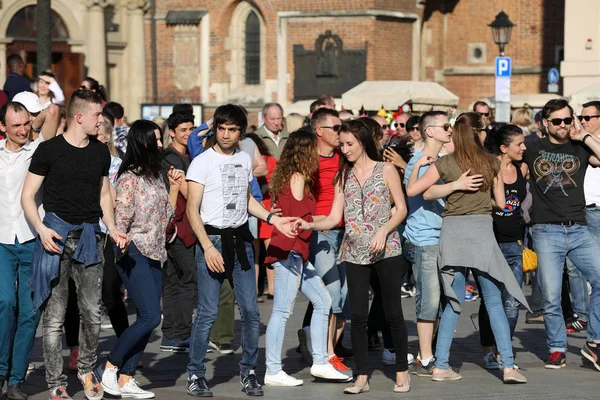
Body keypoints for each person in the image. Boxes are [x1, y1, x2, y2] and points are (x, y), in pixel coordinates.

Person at [21, 90, 128, 400]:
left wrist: (113, 227)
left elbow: (104, 194)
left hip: (90, 238)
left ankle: (85, 369)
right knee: (54, 318)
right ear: (79, 117)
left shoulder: (100, 152)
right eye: (97, 115)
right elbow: (28, 196)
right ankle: (55, 382)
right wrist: (40, 229)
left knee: (93, 312)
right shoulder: (48, 151)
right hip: (55, 236)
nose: (102, 121)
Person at [406, 112, 528, 384]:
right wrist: (480, 196)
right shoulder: (490, 162)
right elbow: (499, 201)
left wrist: (448, 184)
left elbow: (419, 192)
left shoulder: (446, 163)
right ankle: (508, 366)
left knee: (453, 302)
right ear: (478, 135)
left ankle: (441, 365)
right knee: (494, 301)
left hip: (452, 233)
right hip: (481, 231)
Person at [185, 104, 297, 397]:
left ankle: (248, 372)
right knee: (208, 312)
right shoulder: (201, 162)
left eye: (232, 129)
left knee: (249, 311)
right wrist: (207, 247)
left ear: (240, 132)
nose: (225, 134)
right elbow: (191, 210)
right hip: (212, 240)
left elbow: (247, 199)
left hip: (241, 240)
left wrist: (273, 219)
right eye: (221, 128)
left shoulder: (245, 159)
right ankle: (195, 374)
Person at [297, 119, 411, 394]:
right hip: (354, 251)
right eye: (342, 144)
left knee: (393, 313)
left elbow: (402, 209)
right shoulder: (342, 176)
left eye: (349, 144)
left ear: (362, 142)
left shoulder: (386, 170)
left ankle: (401, 371)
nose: (344, 149)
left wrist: (383, 230)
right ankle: (361, 376)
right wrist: (310, 224)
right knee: (358, 316)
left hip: (388, 249)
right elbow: (336, 217)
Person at [96, 120, 182, 399]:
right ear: (142, 142)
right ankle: (109, 366)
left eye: (160, 139)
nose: (160, 145)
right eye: (155, 140)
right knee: (149, 317)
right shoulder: (129, 177)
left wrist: (173, 186)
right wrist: (120, 239)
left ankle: (126, 379)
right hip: (132, 252)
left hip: (156, 252)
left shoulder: (157, 175)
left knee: (148, 317)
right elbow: (121, 220)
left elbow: (167, 215)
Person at [264, 130, 351, 386]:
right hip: (288, 252)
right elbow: (293, 215)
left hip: (297, 253)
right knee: (282, 310)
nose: (318, 154)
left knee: (324, 301)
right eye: (313, 149)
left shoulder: (295, 177)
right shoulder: (297, 177)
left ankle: (321, 362)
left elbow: (313, 218)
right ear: (305, 151)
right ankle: (272, 370)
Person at [522, 98, 600, 370]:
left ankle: (594, 342)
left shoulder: (579, 147)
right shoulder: (532, 149)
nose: (564, 125)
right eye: (558, 121)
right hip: (546, 231)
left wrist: (585, 135)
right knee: (551, 296)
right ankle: (557, 348)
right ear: (546, 123)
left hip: (579, 229)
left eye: (568, 119)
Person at [0, 101, 59, 400]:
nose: (23, 130)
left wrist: (41, 110)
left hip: (31, 239)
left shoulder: (38, 150)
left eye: (26, 123)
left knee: (29, 313)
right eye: (16, 125)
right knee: (4, 302)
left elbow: (53, 111)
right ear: (2, 127)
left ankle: (16, 380)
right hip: (1, 242)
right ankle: (0, 370)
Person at [402, 111, 453, 377]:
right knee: (429, 299)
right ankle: (424, 357)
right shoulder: (417, 162)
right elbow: (417, 192)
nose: (450, 129)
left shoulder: (445, 159)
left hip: (446, 236)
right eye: (446, 125)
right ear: (430, 131)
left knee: (445, 300)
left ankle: (430, 351)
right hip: (425, 238)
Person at [478, 125, 528, 369]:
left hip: (514, 243)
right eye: (519, 144)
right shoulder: (488, 168)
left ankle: (503, 348)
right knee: (491, 300)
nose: (524, 148)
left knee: (512, 301)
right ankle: (488, 348)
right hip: (490, 241)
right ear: (503, 148)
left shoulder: (523, 168)